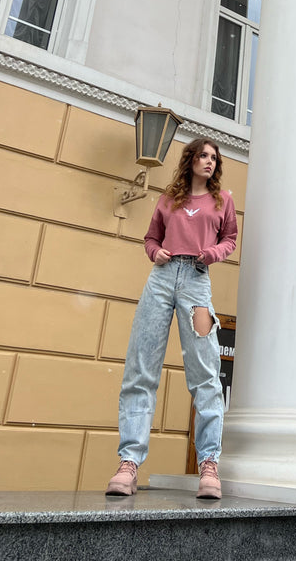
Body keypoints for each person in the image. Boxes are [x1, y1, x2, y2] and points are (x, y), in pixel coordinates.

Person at [106, 137, 237, 500]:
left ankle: (209, 463)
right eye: (204, 155)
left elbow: (230, 238)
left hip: (197, 285)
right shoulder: (169, 198)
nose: (209, 161)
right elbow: (150, 238)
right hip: (161, 281)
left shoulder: (222, 200)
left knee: (205, 373)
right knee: (141, 368)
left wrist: (210, 253)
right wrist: (156, 252)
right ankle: (128, 463)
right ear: (191, 159)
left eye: (214, 157)